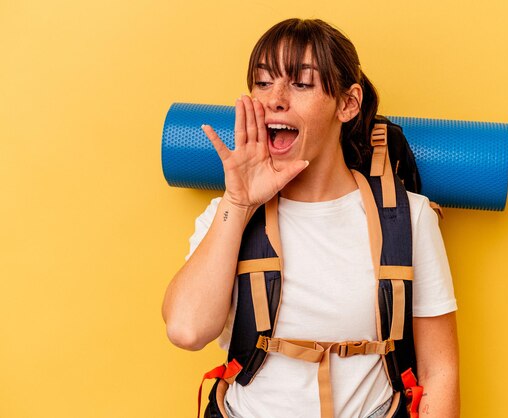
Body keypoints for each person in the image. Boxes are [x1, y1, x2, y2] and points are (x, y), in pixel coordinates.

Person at [162, 18, 459, 418]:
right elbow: (186, 330)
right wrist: (239, 200)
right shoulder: (228, 213)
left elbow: (439, 370)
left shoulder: (409, 218)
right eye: (264, 82)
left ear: (347, 104)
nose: (275, 99)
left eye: (301, 83)